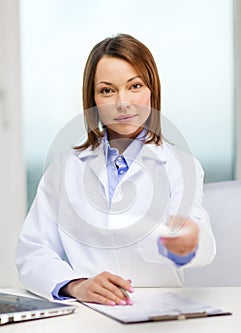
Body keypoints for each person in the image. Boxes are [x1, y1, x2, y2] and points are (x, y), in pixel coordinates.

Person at [16, 33, 216, 306]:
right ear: (93, 99)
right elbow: (33, 252)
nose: (123, 102)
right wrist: (77, 285)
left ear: (152, 91)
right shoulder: (64, 169)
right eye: (107, 90)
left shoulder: (181, 166)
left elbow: (199, 239)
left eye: (134, 86)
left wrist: (188, 243)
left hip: (159, 313)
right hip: (87, 312)